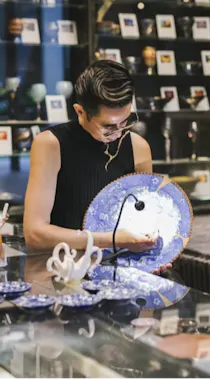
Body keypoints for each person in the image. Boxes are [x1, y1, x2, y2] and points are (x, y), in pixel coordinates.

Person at [23, 60, 170, 273]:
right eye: (108, 127)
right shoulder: (51, 144)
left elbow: (147, 220)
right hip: (62, 275)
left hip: (122, 274)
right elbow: (35, 235)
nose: (119, 133)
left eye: (126, 121)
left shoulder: (138, 147)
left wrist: (153, 252)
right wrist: (112, 239)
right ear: (80, 112)